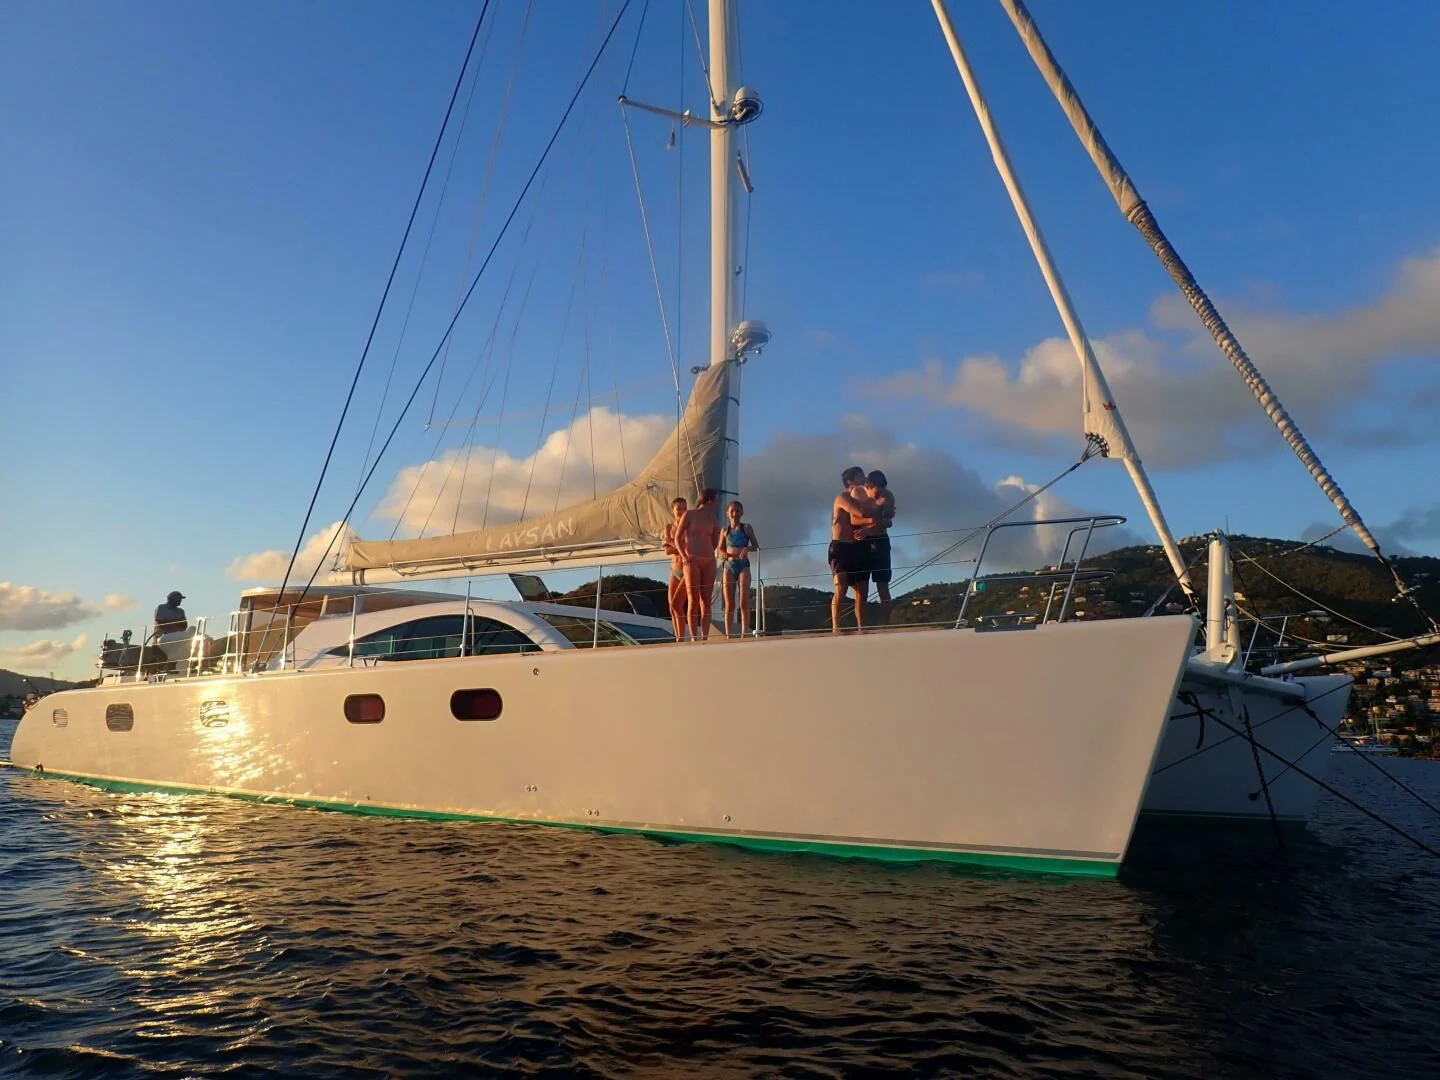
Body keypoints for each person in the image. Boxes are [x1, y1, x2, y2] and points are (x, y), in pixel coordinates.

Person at [829, 467, 882, 632]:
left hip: (858, 547)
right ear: (850, 481)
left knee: (861, 590)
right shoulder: (843, 498)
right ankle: (836, 627)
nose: (865, 478)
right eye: (860, 476)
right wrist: (881, 508)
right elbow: (859, 512)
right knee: (841, 586)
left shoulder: (866, 499)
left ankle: (861, 627)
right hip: (841, 547)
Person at [675, 489, 721, 641]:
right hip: (691, 559)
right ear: (709, 500)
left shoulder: (713, 519)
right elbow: (677, 537)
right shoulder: (690, 514)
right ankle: (694, 637)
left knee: (706, 599)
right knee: (693, 599)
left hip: (708, 560)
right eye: (716, 500)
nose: (718, 503)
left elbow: (716, 540)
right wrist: (684, 556)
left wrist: (707, 552)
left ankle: (705, 636)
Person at [717, 500, 759, 639]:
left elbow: (756, 546)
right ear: (728, 513)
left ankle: (744, 634)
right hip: (729, 566)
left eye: (737, 510)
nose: (735, 513)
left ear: (741, 513)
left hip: (743, 565)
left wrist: (747, 548)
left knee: (743, 602)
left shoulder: (746, 528)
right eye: (732, 511)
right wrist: (722, 552)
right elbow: (719, 548)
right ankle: (728, 635)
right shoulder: (724, 531)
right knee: (729, 603)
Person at [860, 470, 896, 624]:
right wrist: (876, 508)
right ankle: (862, 626)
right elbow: (857, 516)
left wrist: (882, 509)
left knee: (883, 586)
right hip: (863, 543)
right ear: (869, 486)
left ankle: (885, 625)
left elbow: (888, 520)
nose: (879, 493)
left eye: (882, 489)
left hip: (880, 540)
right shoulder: (859, 496)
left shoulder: (887, 495)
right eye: (876, 490)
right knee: (862, 589)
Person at [661, 497, 690, 641]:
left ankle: (681, 638)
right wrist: (678, 545)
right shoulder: (668, 527)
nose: (681, 511)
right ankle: (678, 637)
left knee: (677, 604)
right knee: (671, 607)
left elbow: (687, 548)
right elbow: (667, 551)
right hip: (674, 569)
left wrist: (671, 542)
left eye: (684, 508)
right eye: (678, 508)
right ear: (673, 510)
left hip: (686, 569)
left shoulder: (688, 527)